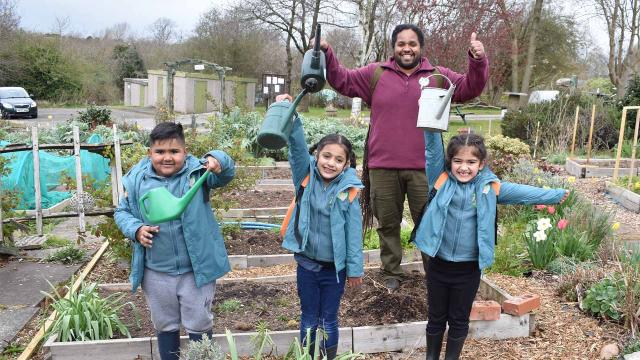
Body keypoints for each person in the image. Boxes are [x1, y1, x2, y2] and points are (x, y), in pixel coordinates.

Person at [315, 24, 489, 289]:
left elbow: (470, 88)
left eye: (412, 43)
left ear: (421, 47)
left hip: (425, 169)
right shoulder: (375, 74)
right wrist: (327, 53)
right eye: (401, 43)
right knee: (387, 224)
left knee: (431, 223)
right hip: (383, 166)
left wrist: (478, 60)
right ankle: (392, 274)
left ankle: (436, 276)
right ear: (393, 47)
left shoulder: (439, 76)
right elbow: (342, 80)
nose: (406, 48)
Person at [415, 130, 569, 359]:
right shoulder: (440, 177)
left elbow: (521, 193)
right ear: (449, 162)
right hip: (438, 264)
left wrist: (554, 195)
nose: (463, 167)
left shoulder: (489, 187)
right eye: (457, 161)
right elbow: (432, 150)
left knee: (459, 318)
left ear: (482, 163)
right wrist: (431, 123)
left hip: (468, 269)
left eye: (471, 162)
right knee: (436, 317)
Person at [114, 122, 235, 360]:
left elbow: (226, 174)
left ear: (185, 152)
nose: (167, 158)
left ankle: (202, 356)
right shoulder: (137, 179)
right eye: (160, 152)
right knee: (165, 323)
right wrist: (136, 229)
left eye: (174, 151)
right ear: (150, 153)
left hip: (195, 271)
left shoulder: (197, 174)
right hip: (157, 270)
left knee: (199, 322)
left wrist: (218, 159)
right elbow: (122, 212)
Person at [276, 94, 363, 359]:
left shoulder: (349, 190)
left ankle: (329, 356)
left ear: (346, 164)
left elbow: (353, 235)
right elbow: (296, 147)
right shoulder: (305, 176)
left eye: (338, 160)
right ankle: (308, 356)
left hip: (334, 270)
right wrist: (291, 113)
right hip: (307, 265)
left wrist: (355, 269)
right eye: (326, 156)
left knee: (329, 320)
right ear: (317, 155)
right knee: (309, 318)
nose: (331, 163)